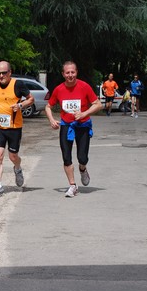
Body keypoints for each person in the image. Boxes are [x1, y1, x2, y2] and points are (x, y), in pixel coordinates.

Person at [45, 61, 102, 197]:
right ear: (63, 74)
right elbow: (48, 106)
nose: (70, 75)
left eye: (72, 72)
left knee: (82, 158)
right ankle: (72, 185)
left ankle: (83, 169)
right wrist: (52, 120)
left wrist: (84, 113)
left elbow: (98, 104)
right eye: (67, 72)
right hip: (66, 125)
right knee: (66, 157)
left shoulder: (84, 86)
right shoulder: (59, 89)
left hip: (82, 125)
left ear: (76, 72)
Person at [0, 61, 34, 198]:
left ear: (10, 72)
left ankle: (17, 168)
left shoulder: (17, 85)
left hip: (14, 127)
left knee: (13, 156)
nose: (1, 76)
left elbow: (31, 99)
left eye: (4, 73)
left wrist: (20, 105)